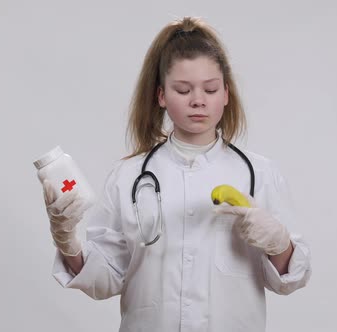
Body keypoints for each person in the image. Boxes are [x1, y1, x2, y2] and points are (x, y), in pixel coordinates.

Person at [43, 16, 312, 332]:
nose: (198, 100)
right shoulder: (128, 176)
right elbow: (105, 279)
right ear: (160, 96)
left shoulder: (260, 174)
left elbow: (289, 280)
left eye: (210, 89)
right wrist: (67, 242)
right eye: (183, 90)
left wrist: (280, 244)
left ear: (226, 93)